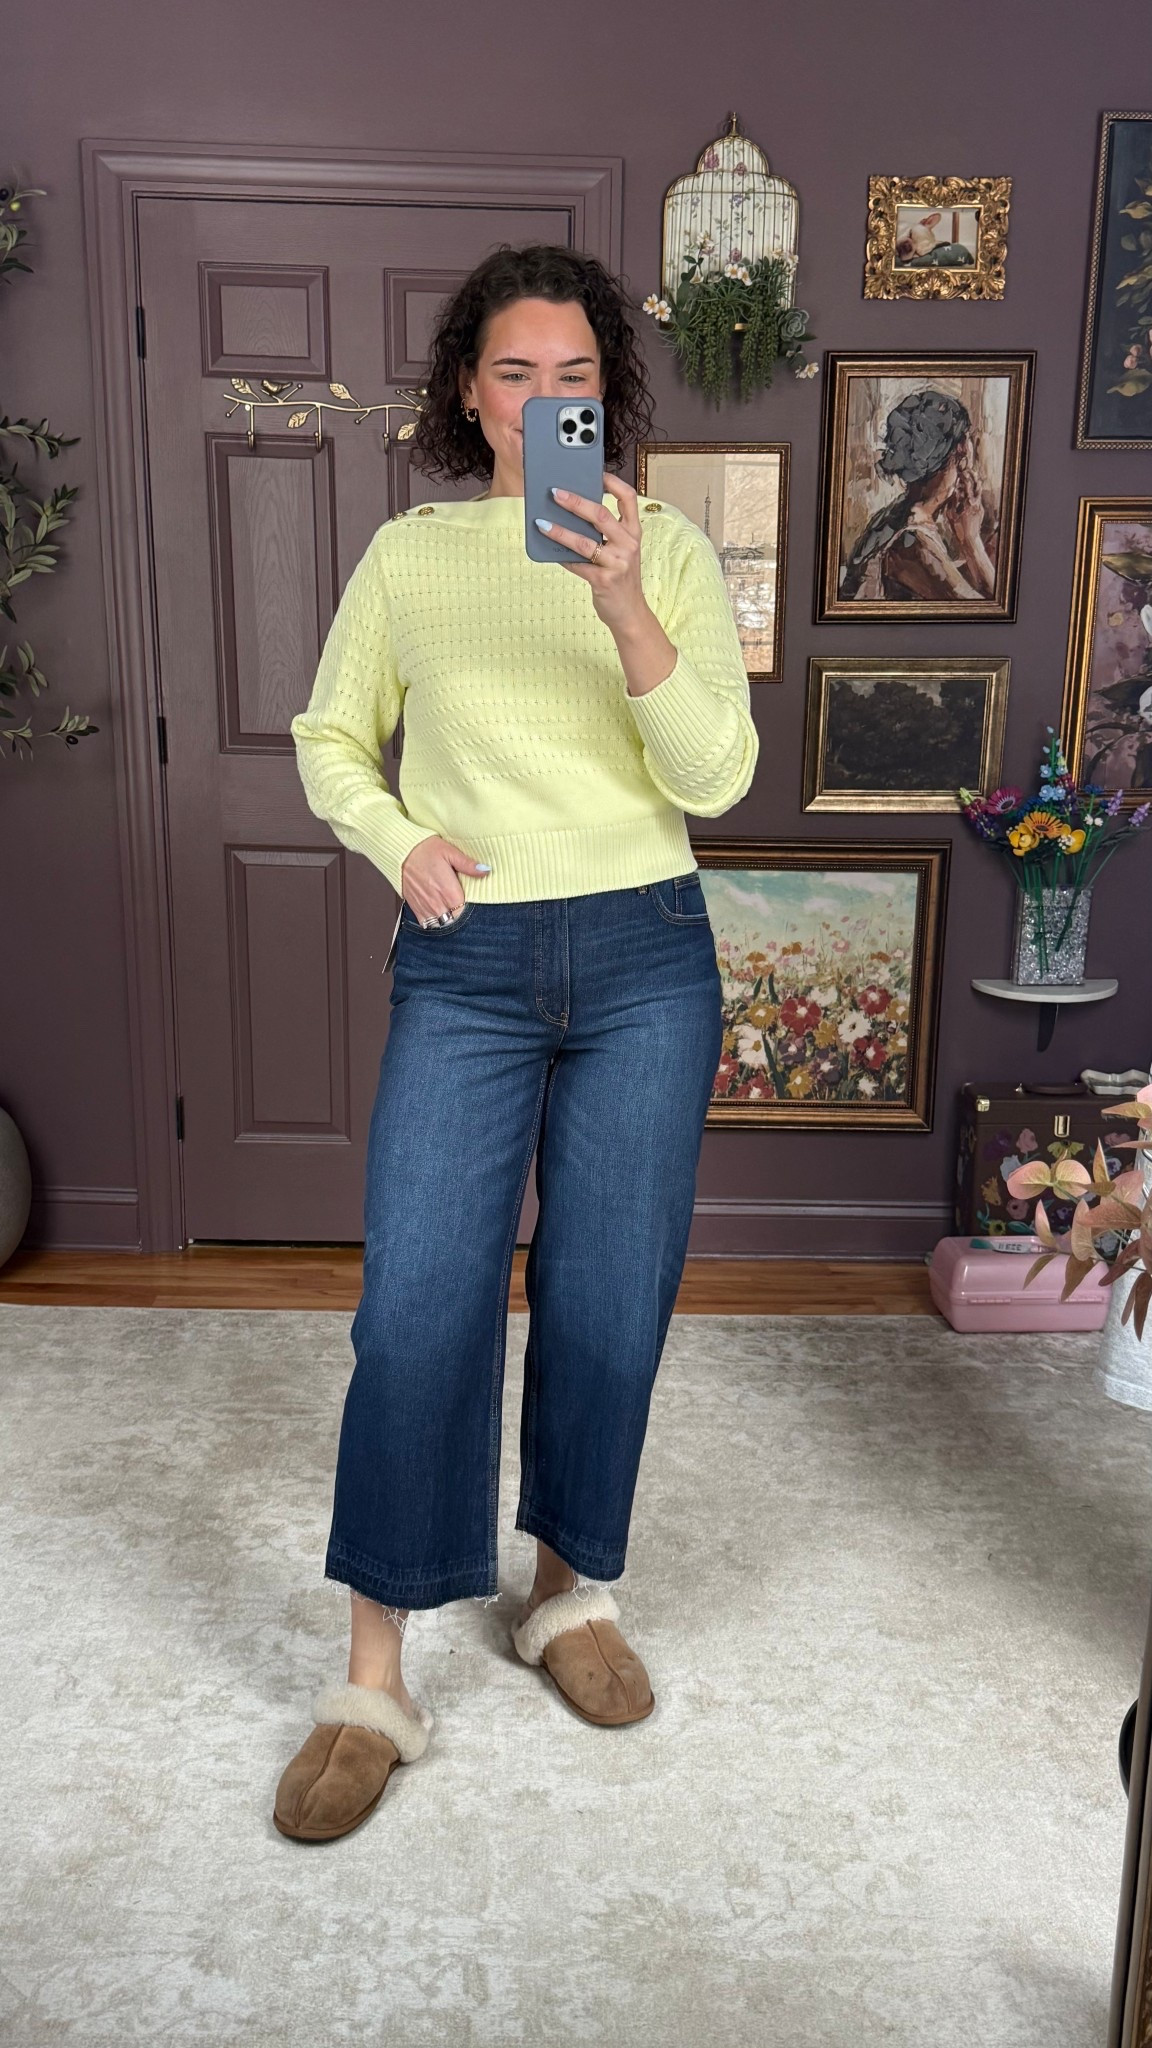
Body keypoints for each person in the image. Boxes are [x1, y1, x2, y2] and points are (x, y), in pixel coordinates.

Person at [272, 243, 760, 1842]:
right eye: (514, 373)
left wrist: (621, 605)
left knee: (610, 1302)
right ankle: (375, 1683)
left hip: (646, 958)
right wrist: (395, 837)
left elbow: (715, 776)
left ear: (604, 397)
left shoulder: (663, 551)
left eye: (575, 377)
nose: (546, 398)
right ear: (470, 397)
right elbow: (329, 737)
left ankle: (566, 1594)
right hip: (468, 961)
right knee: (417, 1311)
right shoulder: (410, 558)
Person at [838, 387, 998, 604]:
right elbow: (986, 611)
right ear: (959, 452)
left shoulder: (895, 515)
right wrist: (971, 540)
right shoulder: (913, 542)